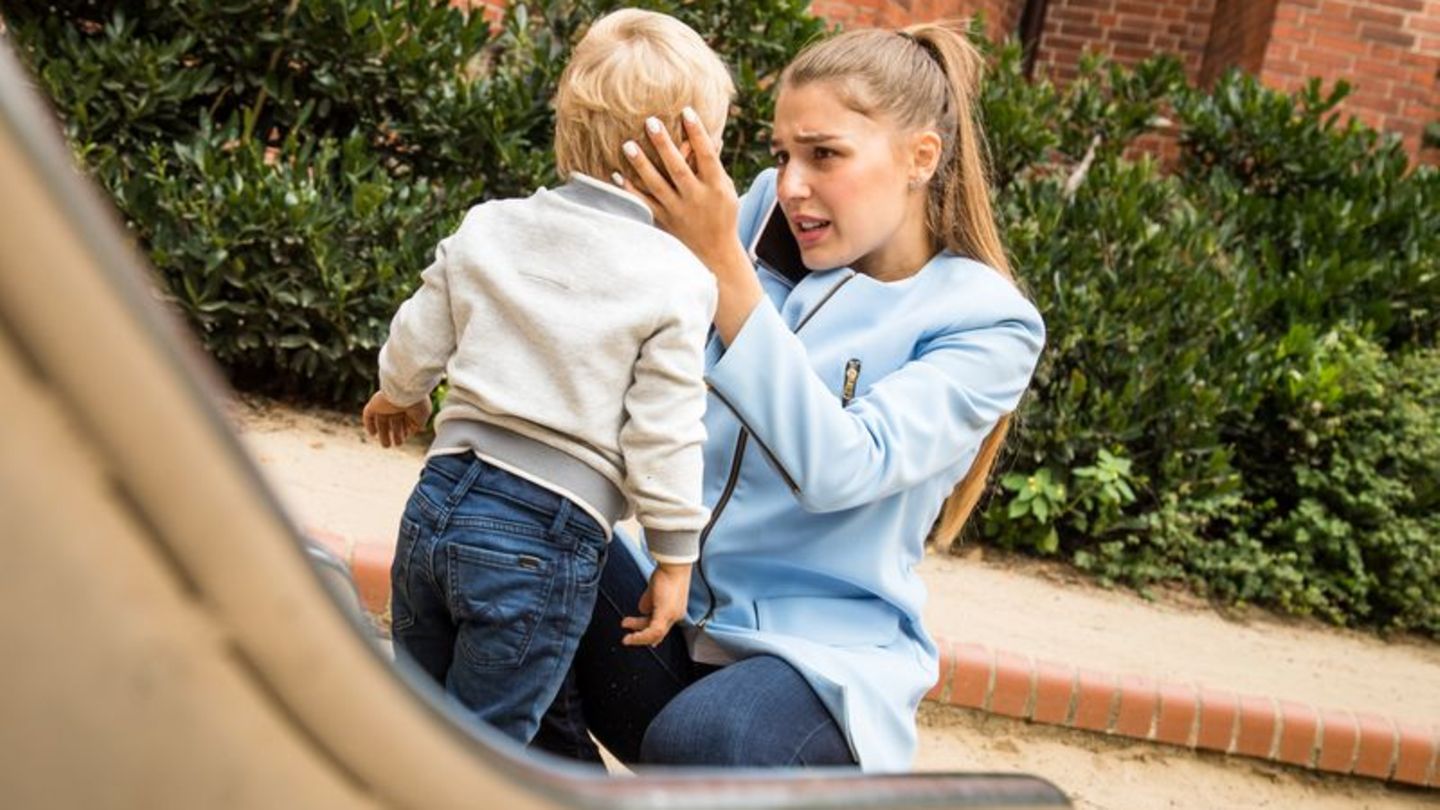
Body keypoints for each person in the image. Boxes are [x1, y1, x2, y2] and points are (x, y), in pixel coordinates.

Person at [535, 22, 1046, 771]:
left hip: (816, 670)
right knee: (508, 552)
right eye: (782, 155)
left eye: (825, 154)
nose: (791, 182)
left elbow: (844, 468)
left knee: (705, 739)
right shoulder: (757, 220)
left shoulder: (986, 322)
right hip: (669, 618)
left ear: (920, 158)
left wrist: (728, 276)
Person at [360, 9, 733, 745]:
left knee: (418, 727)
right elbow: (663, 428)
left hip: (434, 508)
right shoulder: (678, 280)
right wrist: (673, 556)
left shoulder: (491, 225)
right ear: (685, 155)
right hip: (541, 534)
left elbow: (420, 329)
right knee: (489, 752)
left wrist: (397, 391)